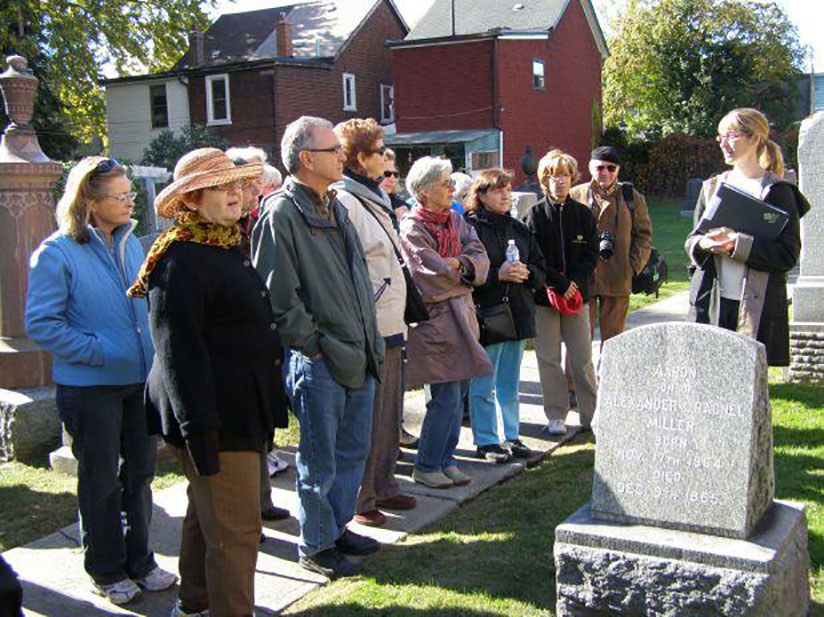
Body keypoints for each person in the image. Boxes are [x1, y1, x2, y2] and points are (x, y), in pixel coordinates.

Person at [130, 148, 289, 617]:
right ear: (193, 199)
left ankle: (195, 602)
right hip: (214, 413)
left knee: (208, 513)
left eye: (240, 185)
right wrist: (200, 429)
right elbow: (179, 352)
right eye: (224, 187)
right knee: (237, 530)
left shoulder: (220, 243)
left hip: (241, 404)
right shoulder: (179, 259)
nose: (237, 195)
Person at [25, 157, 175, 605]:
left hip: (137, 382)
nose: (130, 202)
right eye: (121, 196)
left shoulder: (131, 243)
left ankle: (141, 560)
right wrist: (98, 351)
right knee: (101, 481)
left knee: (141, 475)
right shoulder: (56, 253)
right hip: (90, 389)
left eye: (130, 194)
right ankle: (106, 568)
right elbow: (42, 323)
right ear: (89, 201)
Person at [252, 116, 385, 580]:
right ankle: (316, 544)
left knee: (351, 453)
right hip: (321, 362)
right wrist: (313, 347)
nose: (342, 156)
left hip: (358, 352)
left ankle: (336, 528)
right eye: (333, 150)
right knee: (319, 460)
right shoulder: (281, 214)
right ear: (307, 159)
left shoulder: (334, 205)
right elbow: (278, 298)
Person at [333, 118, 417, 527]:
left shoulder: (373, 195)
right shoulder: (346, 199)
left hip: (391, 318)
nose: (386, 157)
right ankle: (362, 495)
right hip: (371, 322)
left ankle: (384, 482)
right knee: (369, 415)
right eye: (379, 150)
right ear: (358, 157)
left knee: (389, 412)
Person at [685, 108, 809, 366]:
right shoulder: (712, 188)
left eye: (731, 136)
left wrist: (737, 245)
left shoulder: (778, 192)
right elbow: (691, 240)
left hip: (755, 308)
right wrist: (704, 243)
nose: (723, 144)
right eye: (720, 137)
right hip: (713, 303)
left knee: (747, 389)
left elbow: (787, 255)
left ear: (754, 138)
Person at [400, 156, 492, 489]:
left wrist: (461, 267)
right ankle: (426, 465)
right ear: (423, 191)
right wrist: (464, 272)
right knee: (445, 398)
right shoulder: (412, 227)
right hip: (436, 324)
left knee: (459, 394)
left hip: (463, 318)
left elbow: (481, 258)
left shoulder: (455, 219)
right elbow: (429, 277)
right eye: (445, 183)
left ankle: (446, 459)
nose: (453, 187)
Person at [227, 149, 291, 524]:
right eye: (247, 183)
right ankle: (250, 509)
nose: (255, 190)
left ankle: (262, 500)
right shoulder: (220, 231)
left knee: (262, 427)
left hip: (262, 338)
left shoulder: (255, 219)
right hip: (235, 351)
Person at [465, 169, 544, 462]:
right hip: (488, 313)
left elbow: (540, 266)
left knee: (510, 383)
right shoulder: (469, 228)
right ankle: (486, 440)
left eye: (508, 190)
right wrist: (498, 275)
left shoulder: (519, 228)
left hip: (519, 313)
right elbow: (466, 273)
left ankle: (511, 436)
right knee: (484, 382)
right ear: (482, 194)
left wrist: (529, 273)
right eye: (498, 190)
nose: (505, 195)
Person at [525, 150, 599, 436]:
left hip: (577, 298)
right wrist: (558, 283)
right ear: (545, 180)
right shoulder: (534, 215)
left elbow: (591, 253)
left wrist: (575, 284)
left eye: (564, 176)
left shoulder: (582, 214)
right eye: (553, 177)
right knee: (548, 358)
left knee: (582, 358)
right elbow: (535, 257)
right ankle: (555, 414)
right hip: (545, 298)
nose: (559, 182)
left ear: (572, 179)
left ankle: (590, 414)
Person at [569, 145, 652, 344]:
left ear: (618, 170)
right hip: (583, 276)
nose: (605, 172)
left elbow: (644, 235)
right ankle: (578, 377)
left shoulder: (632, 197)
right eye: (599, 168)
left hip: (618, 274)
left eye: (610, 168)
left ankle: (610, 376)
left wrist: (633, 266)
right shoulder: (575, 195)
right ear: (590, 168)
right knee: (579, 341)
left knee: (614, 342)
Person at [380, 147, 409, 220]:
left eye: (395, 174)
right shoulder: (361, 202)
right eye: (387, 174)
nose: (392, 179)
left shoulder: (401, 205)